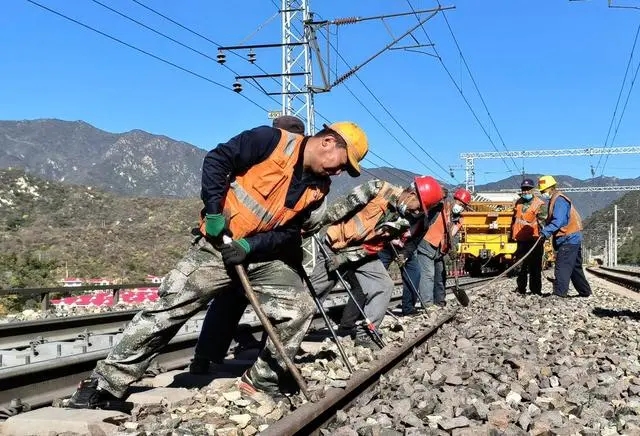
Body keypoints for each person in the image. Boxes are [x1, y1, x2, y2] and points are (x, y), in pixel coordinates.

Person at [67, 120, 369, 408]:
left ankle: (261, 382)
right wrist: (213, 212)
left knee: (299, 309)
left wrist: (250, 245)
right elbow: (217, 160)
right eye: (343, 163)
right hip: (216, 246)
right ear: (328, 142)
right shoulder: (270, 141)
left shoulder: (320, 188)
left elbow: (289, 233)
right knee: (170, 308)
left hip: (259, 256)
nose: (341, 171)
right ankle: (105, 384)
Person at [189, 115, 307, 375]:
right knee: (254, 302)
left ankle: (206, 357)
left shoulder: (289, 160)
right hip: (246, 241)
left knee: (232, 300)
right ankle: (267, 360)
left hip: (266, 246)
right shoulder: (270, 150)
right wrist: (214, 213)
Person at [306, 176, 443, 348]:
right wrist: (312, 225)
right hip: (335, 245)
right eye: (419, 208)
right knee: (315, 293)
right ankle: (287, 330)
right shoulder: (378, 189)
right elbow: (341, 208)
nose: (417, 213)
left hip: (359, 254)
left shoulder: (402, 223)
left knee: (383, 285)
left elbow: (372, 247)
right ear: (412, 194)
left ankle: (367, 333)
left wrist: (345, 258)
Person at [415, 187, 471, 307]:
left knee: (440, 276)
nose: (460, 206)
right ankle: (428, 305)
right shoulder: (443, 206)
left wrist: (453, 249)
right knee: (428, 275)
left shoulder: (459, 219)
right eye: (459, 203)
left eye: (463, 205)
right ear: (454, 199)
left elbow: (453, 236)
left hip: (440, 250)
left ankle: (440, 302)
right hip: (427, 243)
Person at [538, 175, 592, 298]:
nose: (542, 193)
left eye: (543, 191)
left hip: (568, 238)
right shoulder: (555, 200)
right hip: (573, 237)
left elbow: (559, 221)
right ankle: (585, 291)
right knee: (574, 267)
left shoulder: (559, 200)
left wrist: (545, 233)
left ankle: (559, 293)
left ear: (551, 188)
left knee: (562, 266)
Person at [511, 178, 547, 295]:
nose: (525, 192)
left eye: (527, 189)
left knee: (535, 267)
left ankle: (535, 291)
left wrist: (543, 236)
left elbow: (543, 222)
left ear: (532, 190)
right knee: (521, 267)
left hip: (535, 240)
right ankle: (521, 289)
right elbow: (514, 220)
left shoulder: (539, 204)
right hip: (521, 240)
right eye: (523, 189)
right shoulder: (518, 203)